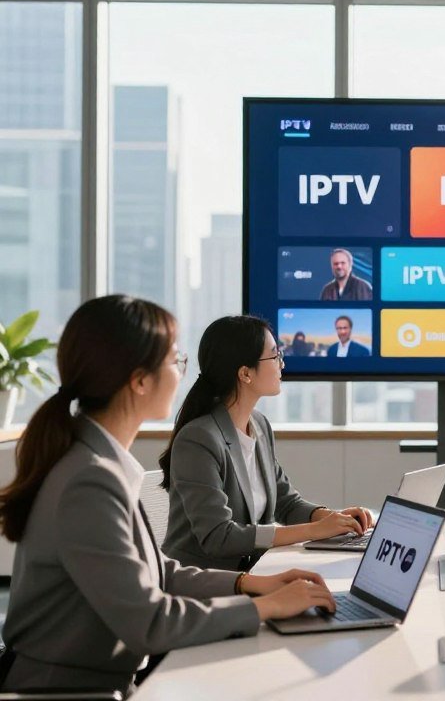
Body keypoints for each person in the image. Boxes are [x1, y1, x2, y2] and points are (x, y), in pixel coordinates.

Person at [0, 296, 335, 697]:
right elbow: (150, 622)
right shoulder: (89, 481)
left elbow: (163, 574)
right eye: (175, 360)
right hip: (66, 690)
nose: (182, 373)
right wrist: (266, 607)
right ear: (139, 381)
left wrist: (252, 584)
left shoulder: (100, 463)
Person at [160, 315, 372, 571]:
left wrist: (333, 518)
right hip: (198, 581)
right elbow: (219, 537)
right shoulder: (199, 439)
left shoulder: (259, 425)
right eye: (275, 355)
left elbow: (286, 503)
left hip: (251, 572)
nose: (282, 363)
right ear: (245, 373)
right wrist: (315, 530)